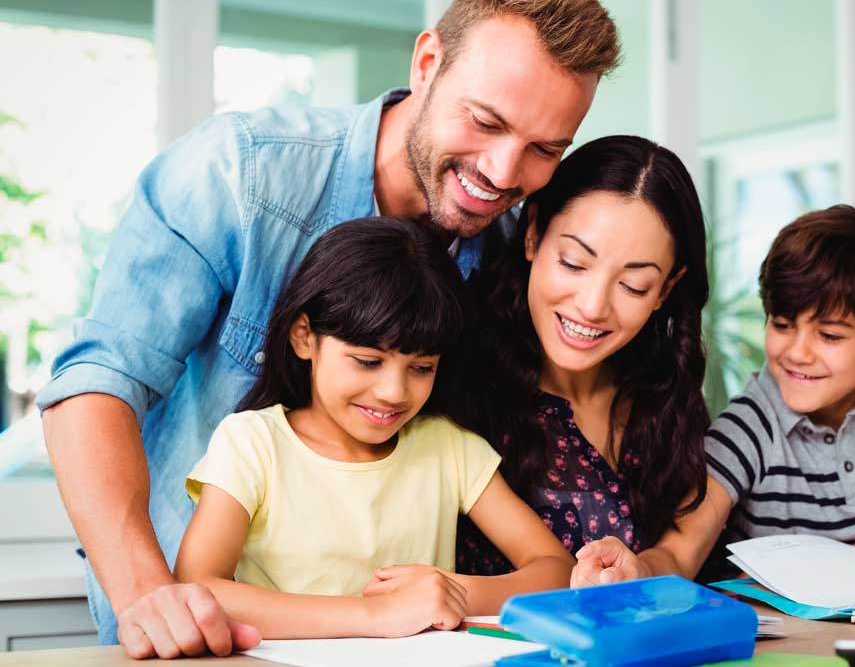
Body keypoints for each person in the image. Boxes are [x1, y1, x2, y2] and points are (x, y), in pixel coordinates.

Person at [37, 0, 619, 658]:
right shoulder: (242, 173)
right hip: (185, 640)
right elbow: (98, 382)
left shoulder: (508, 247)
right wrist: (151, 600)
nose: (502, 173)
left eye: (543, 150)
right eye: (485, 121)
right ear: (429, 61)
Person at [173, 218, 571, 641]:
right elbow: (196, 588)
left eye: (421, 368)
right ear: (305, 337)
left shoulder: (449, 448)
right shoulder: (252, 444)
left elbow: (557, 569)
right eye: (368, 361)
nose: (393, 392)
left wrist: (459, 593)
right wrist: (375, 616)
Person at [571, 205, 855, 587]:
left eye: (829, 335)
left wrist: (778, 572)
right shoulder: (750, 425)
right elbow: (680, 551)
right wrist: (638, 572)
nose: (797, 352)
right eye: (782, 324)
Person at [453, 135, 712, 576]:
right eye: (573, 262)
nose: (593, 306)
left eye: (634, 286)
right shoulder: (458, 385)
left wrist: (638, 572)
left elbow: (679, 551)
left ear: (666, 290)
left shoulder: (664, 397)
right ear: (533, 234)